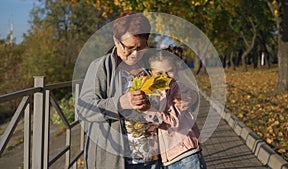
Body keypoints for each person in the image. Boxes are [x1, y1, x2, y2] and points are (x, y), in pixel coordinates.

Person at [77, 12, 161, 169]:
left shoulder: (151, 66)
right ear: (116, 40)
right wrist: (121, 103)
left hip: (151, 159)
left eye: (140, 47)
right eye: (129, 48)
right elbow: (84, 109)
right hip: (116, 161)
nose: (135, 54)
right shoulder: (101, 66)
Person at [142, 50, 207, 169]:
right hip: (168, 158)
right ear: (151, 73)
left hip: (186, 155)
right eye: (159, 73)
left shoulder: (179, 90)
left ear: (176, 70)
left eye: (169, 71)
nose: (165, 76)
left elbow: (173, 121)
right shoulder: (156, 93)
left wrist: (148, 110)